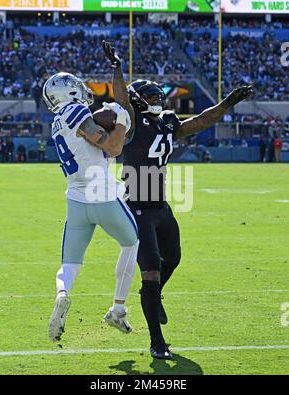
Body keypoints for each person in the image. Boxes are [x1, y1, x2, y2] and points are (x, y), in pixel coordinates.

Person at [102, 40, 253, 359]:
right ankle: (157, 343)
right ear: (141, 100)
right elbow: (120, 97)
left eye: (160, 96)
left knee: (174, 259)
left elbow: (198, 122)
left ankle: (153, 300)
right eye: (153, 96)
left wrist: (225, 104)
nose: (158, 100)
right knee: (151, 272)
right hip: (138, 207)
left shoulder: (167, 123)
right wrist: (117, 68)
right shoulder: (131, 123)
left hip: (161, 206)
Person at [42, 72, 139, 342]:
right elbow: (113, 147)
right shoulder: (75, 112)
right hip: (103, 194)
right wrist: (120, 120)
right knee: (131, 243)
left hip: (75, 199)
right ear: (68, 92)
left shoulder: (56, 122)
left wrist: (110, 117)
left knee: (69, 264)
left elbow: (94, 139)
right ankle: (117, 309)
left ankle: (62, 295)